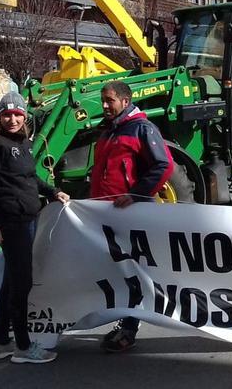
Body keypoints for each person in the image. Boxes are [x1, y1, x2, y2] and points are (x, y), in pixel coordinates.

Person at [0, 92, 70, 364]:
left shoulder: (24, 143)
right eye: (7, 114)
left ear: (24, 115)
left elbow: (31, 178)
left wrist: (53, 191)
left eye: (17, 114)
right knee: (22, 283)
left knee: (10, 282)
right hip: (12, 222)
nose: (12, 119)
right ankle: (22, 346)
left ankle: (1, 343)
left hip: (28, 219)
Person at [92, 80, 173, 352]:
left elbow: (163, 165)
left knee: (132, 273)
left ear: (125, 101)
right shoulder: (109, 131)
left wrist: (136, 194)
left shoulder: (142, 129)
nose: (104, 105)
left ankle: (129, 327)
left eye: (109, 100)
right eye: (103, 100)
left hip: (131, 216)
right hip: (107, 214)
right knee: (115, 271)